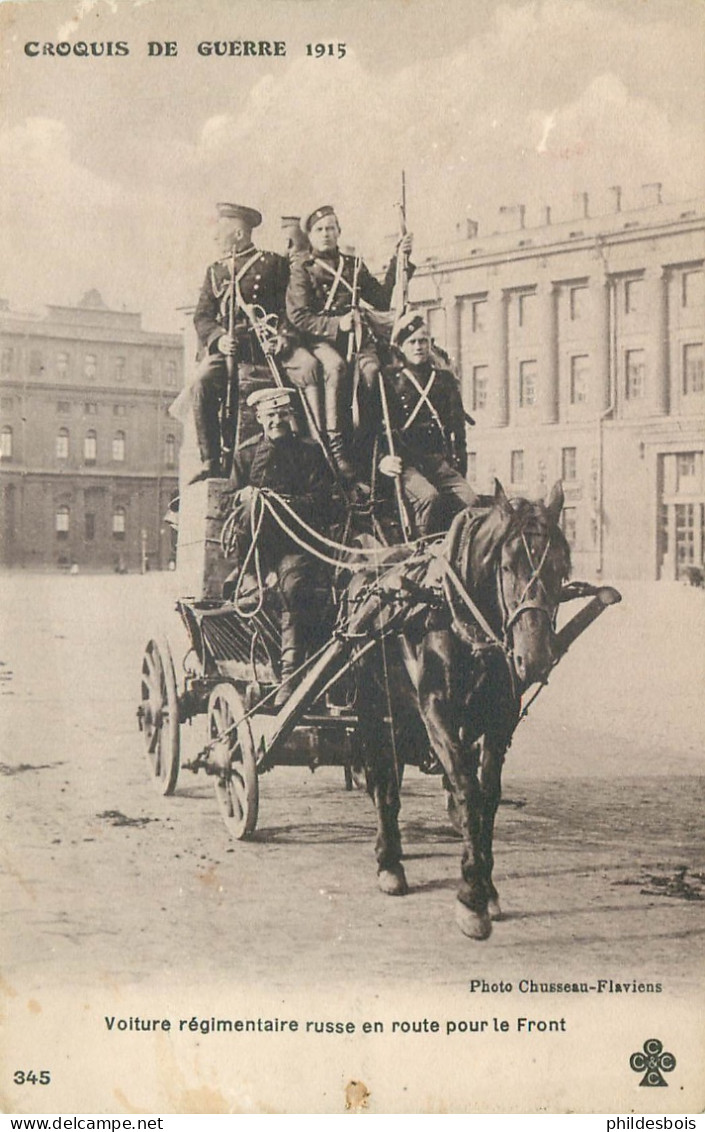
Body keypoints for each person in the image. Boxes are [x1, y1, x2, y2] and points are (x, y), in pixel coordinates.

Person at [189, 202, 319, 483]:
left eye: (219, 231)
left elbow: (290, 309)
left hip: (262, 351)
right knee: (200, 383)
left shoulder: (272, 264)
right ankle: (210, 460)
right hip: (228, 353)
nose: (214, 237)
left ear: (239, 234)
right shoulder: (215, 272)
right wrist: (219, 339)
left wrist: (284, 338)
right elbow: (202, 317)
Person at [225, 386, 337, 706]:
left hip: (296, 545)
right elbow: (229, 506)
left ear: (290, 416)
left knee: (293, 588)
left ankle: (289, 674)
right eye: (270, 414)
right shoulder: (246, 455)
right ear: (260, 418)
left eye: (281, 414)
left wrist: (280, 503)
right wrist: (245, 497)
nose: (276, 420)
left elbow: (322, 502)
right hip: (255, 551)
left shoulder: (309, 452)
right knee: (245, 589)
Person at [286, 204, 413, 479]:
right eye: (319, 229)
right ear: (310, 235)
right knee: (335, 368)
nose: (326, 234)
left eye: (331, 228)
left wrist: (399, 260)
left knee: (372, 372)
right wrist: (335, 325)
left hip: (357, 338)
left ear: (339, 231)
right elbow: (298, 316)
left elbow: (380, 298)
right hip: (319, 339)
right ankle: (336, 447)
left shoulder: (352, 265)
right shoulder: (302, 269)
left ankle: (368, 444)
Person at [378, 311, 477, 537]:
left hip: (437, 461)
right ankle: (419, 549)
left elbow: (458, 430)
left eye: (423, 341)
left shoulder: (444, 379)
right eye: (411, 342)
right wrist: (382, 460)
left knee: (471, 502)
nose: (418, 346)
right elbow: (375, 430)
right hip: (405, 463)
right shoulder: (388, 379)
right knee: (428, 497)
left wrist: (458, 468)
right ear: (401, 347)